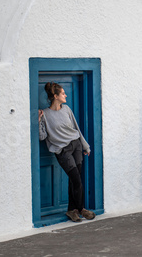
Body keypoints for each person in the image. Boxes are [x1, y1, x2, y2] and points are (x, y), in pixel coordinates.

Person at [38, 82, 95, 222]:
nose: (66, 95)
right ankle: (81, 209)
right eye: (63, 93)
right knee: (76, 179)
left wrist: (85, 146)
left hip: (75, 145)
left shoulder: (67, 109)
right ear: (56, 96)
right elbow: (42, 137)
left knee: (75, 180)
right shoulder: (45, 114)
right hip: (62, 150)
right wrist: (39, 121)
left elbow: (76, 128)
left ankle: (72, 210)